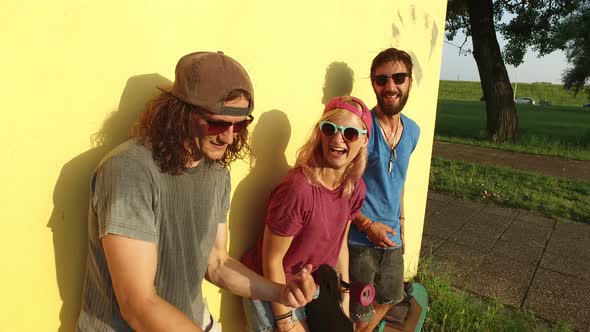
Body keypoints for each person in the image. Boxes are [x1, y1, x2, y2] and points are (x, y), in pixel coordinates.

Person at [76, 51, 316, 332]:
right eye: (217, 123)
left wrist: (281, 292)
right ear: (180, 113)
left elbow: (216, 262)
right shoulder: (130, 171)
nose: (228, 136)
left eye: (240, 124)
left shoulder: (216, 174)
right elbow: (138, 305)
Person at [241, 96, 372, 332]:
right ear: (320, 133)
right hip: (272, 289)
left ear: (364, 140)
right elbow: (271, 260)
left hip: (314, 288)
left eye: (350, 133)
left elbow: (340, 245)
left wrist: (342, 300)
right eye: (330, 129)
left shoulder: (354, 187)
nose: (337, 139)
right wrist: (285, 321)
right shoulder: (298, 189)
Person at [347, 48, 421, 332]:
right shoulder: (361, 128)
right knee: (358, 314)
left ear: (410, 82)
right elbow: (342, 187)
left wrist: (401, 220)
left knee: (391, 298)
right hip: (359, 240)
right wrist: (367, 226)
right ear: (373, 83)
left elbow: (399, 179)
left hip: (391, 238)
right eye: (382, 79)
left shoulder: (413, 131)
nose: (390, 86)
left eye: (399, 77)